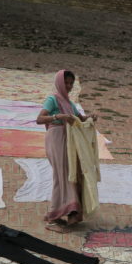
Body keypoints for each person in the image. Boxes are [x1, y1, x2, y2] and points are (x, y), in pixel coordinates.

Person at [35, 70, 99, 233]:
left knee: (72, 172)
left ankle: (62, 210)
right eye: (66, 83)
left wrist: (90, 117)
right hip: (56, 138)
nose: (69, 86)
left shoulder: (70, 103)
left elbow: (80, 118)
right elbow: (40, 119)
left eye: (71, 83)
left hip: (70, 141)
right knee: (63, 173)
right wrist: (60, 117)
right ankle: (68, 210)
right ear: (59, 83)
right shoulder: (53, 99)